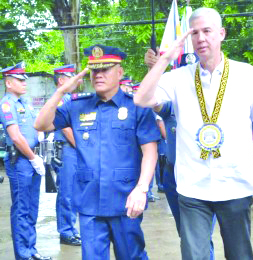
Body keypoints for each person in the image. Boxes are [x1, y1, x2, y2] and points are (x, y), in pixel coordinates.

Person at [135, 7, 253, 259]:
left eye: (207, 31)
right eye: (195, 33)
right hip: (193, 188)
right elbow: (141, 98)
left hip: (236, 184)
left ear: (221, 34)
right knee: (194, 255)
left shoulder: (249, 76)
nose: (201, 38)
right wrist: (165, 59)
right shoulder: (179, 78)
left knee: (240, 255)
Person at [34, 44, 160, 260]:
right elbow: (42, 124)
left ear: (119, 72)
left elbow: (150, 151)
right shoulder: (77, 106)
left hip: (125, 200)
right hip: (90, 201)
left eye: (105, 69)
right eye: (94, 70)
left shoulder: (136, 106)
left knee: (132, 256)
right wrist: (61, 91)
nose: (98, 75)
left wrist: (141, 189)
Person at [145, 48, 216, 259]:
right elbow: (153, 101)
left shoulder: (215, 102)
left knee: (198, 235)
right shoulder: (172, 102)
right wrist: (154, 69)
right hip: (175, 176)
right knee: (186, 234)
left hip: (204, 175)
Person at [0, 62, 50, 260]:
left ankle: (31, 249)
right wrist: (32, 157)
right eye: (20, 80)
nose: (24, 83)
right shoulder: (7, 104)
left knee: (32, 207)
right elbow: (16, 137)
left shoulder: (25, 104)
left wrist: (43, 137)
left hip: (32, 159)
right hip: (20, 160)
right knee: (21, 208)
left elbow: (38, 125)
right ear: (9, 83)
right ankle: (23, 254)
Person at [51, 64, 81, 246]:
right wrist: (81, 148)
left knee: (74, 192)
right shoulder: (61, 100)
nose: (75, 80)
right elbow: (66, 128)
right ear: (61, 80)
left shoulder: (70, 98)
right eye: (70, 77)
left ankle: (70, 229)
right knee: (67, 193)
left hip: (72, 150)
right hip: (67, 150)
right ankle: (66, 232)